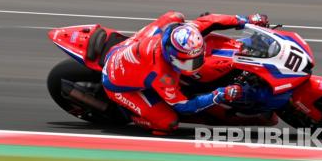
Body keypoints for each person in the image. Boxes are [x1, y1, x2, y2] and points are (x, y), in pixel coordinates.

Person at [101, 11, 269, 134]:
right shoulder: (163, 76)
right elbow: (184, 106)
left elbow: (210, 20)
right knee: (168, 124)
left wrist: (246, 21)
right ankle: (133, 116)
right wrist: (219, 94)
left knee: (175, 16)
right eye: (189, 61)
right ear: (171, 57)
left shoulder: (182, 31)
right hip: (115, 82)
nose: (195, 64)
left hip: (129, 48)